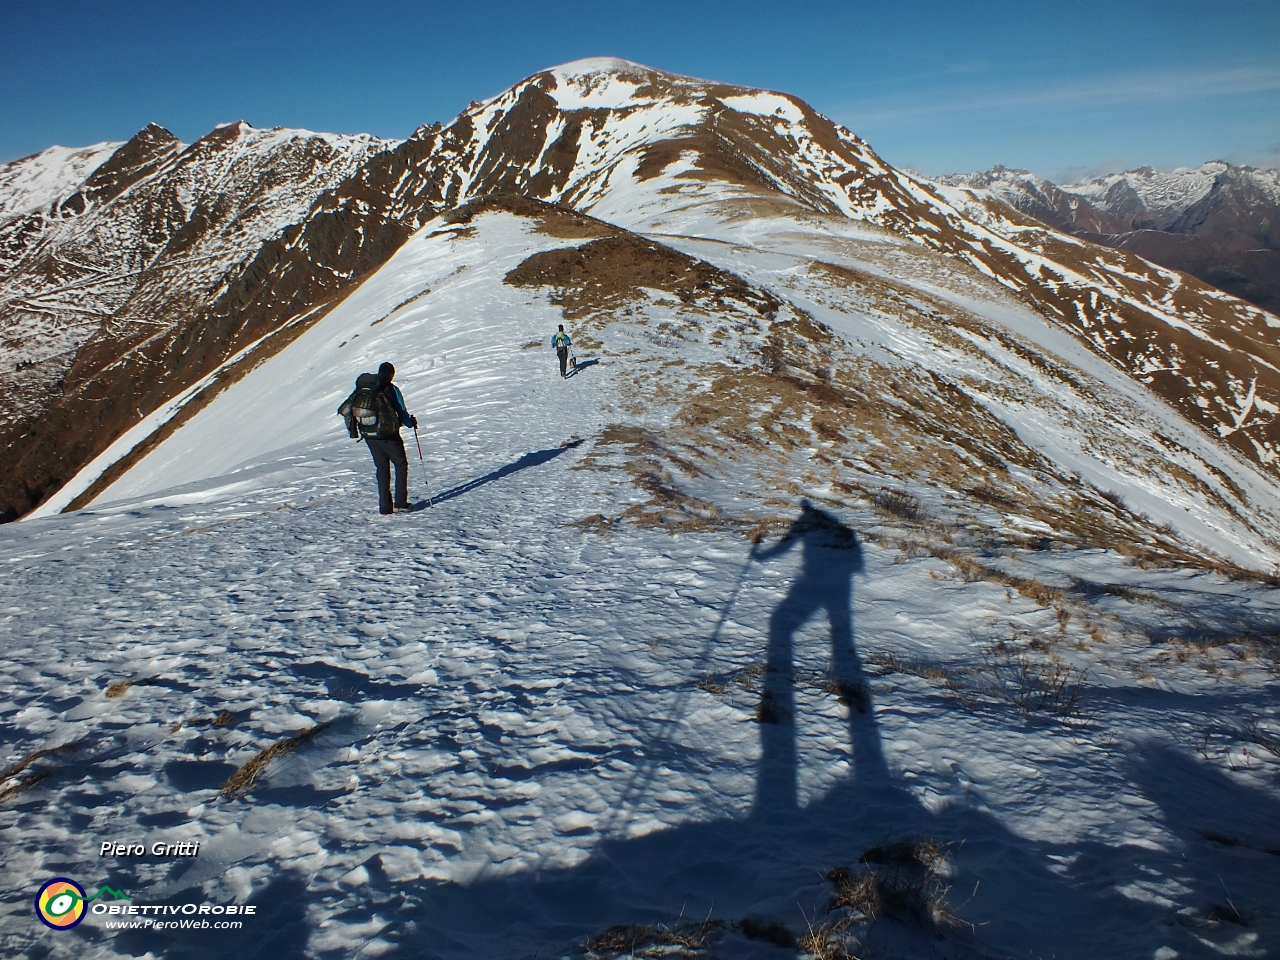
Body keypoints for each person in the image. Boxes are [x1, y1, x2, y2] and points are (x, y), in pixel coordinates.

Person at [338, 362, 417, 515]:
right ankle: (400, 503)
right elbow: (401, 411)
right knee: (400, 464)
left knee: (382, 468)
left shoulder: (365, 389)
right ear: (391, 374)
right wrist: (410, 423)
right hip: (388, 435)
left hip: (369, 435)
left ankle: (385, 507)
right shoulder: (391, 389)